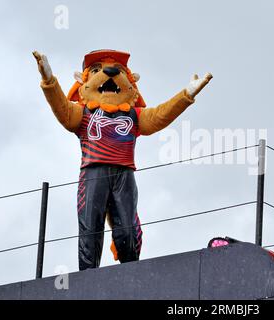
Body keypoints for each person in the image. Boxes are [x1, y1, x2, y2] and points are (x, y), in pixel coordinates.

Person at [33, 49, 212, 270]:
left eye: (118, 70)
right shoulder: (82, 113)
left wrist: (186, 94)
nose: (108, 73)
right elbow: (61, 107)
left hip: (124, 175)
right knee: (90, 226)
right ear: (83, 82)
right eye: (97, 70)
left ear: (130, 82)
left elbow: (161, 114)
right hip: (93, 173)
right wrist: (48, 80)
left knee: (127, 229)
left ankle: (130, 273)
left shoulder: (135, 115)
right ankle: (87, 278)